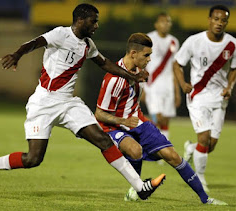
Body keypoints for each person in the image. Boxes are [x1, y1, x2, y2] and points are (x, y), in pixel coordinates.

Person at [0, 3, 166, 200]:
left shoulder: (88, 45)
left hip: (68, 103)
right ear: (81, 20)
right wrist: (17, 55)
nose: (96, 26)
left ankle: (140, 187)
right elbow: (34, 42)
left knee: (103, 140)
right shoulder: (61, 34)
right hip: (44, 102)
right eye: (94, 21)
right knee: (33, 159)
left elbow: (105, 63)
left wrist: (131, 77)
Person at [95, 32, 227, 205]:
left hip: (139, 122)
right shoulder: (113, 79)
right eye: (146, 55)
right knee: (135, 150)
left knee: (172, 156)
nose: (150, 59)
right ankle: (136, 188)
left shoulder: (138, 72)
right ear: (133, 53)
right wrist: (123, 121)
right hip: (114, 127)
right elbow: (99, 114)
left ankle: (205, 199)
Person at [173, 5, 236, 192]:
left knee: (210, 145)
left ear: (227, 22)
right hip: (198, 96)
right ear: (209, 19)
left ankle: (190, 149)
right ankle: (200, 179)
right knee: (204, 138)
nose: (219, 23)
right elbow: (177, 64)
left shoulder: (233, 45)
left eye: (223, 20)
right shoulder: (194, 41)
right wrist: (182, 84)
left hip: (220, 98)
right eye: (216, 19)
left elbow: (235, 68)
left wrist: (229, 87)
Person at [143, 12, 181, 140]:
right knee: (157, 117)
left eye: (168, 22)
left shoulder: (174, 42)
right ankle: (151, 145)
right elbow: (141, 63)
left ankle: (163, 150)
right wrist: (141, 85)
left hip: (168, 85)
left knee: (165, 120)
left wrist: (177, 91)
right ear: (156, 24)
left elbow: (175, 67)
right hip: (152, 84)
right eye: (163, 21)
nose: (166, 24)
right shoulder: (149, 39)